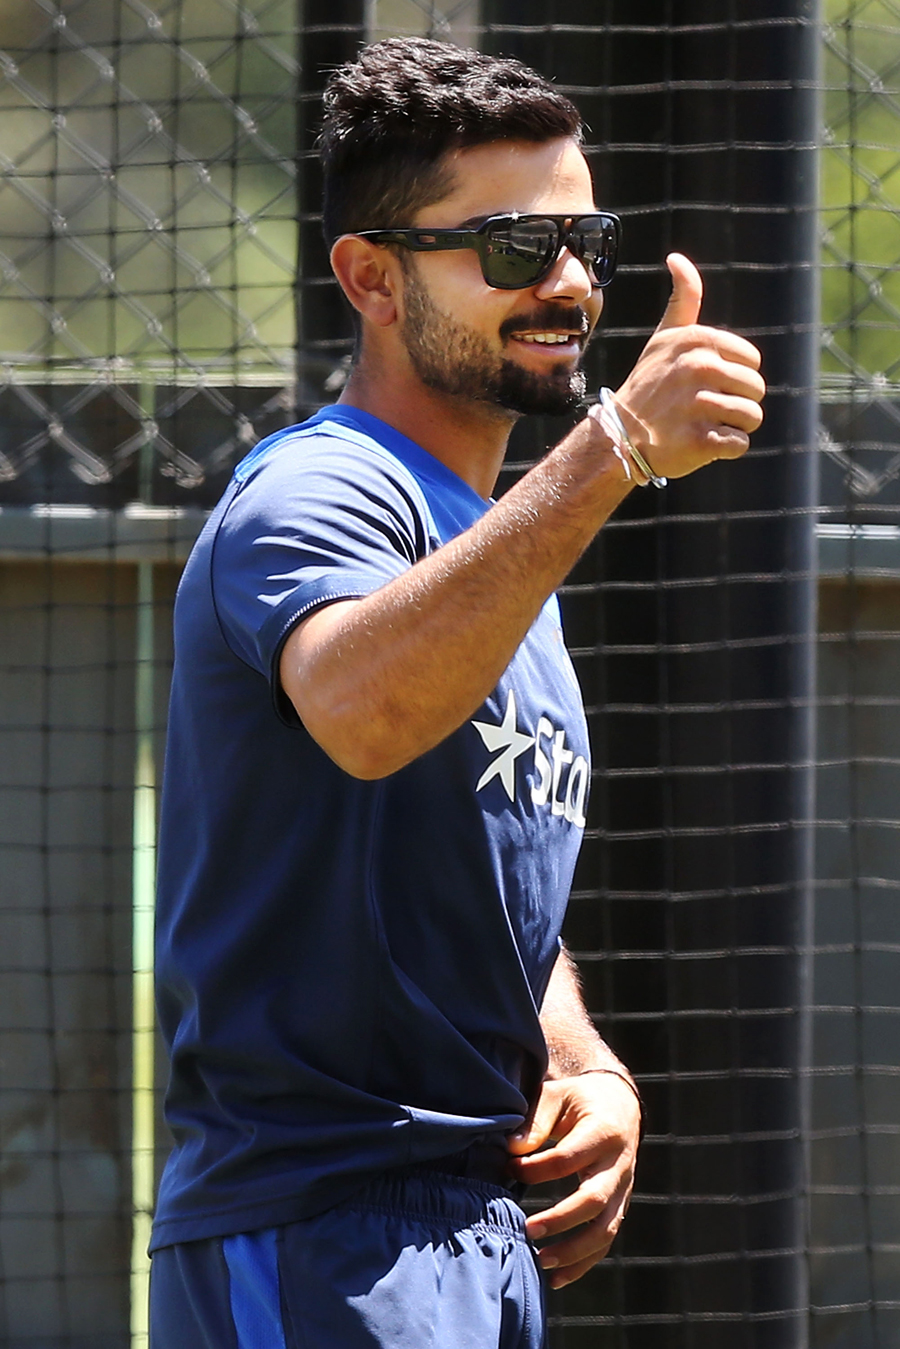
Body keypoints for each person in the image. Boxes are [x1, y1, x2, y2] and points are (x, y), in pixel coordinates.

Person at [148, 35, 765, 1349]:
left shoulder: (496, 548)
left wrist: (585, 1065)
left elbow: (477, 882)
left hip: (485, 1235)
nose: (566, 283)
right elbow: (363, 712)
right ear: (371, 277)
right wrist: (612, 452)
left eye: (587, 241)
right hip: (318, 1226)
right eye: (508, 248)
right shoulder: (319, 491)